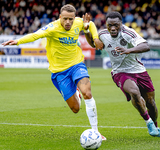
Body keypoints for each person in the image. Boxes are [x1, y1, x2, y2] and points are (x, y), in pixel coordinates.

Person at [1, 4, 106, 140]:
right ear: (60, 17)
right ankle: (76, 92)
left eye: (71, 19)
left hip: (76, 64)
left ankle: (96, 132)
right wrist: (18, 41)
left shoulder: (78, 22)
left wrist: (96, 37)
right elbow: (35, 35)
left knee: (88, 93)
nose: (68, 22)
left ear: (74, 18)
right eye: (65, 19)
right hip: (59, 72)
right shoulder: (52, 28)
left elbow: (90, 24)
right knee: (75, 109)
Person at [94, 11, 160, 137]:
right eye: (109, 25)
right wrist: (93, 39)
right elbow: (93, 43)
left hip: (139, 70)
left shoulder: (128, 33)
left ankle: (155, 126)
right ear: (106, 24)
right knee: (134, 91)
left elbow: (146, 46)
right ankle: (148, 122)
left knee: (151, 103)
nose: (112, 28)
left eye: (115, 25)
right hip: (120, 72)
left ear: (121, 24)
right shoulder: (102, 34)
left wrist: (129, 50)